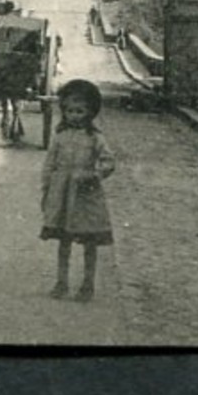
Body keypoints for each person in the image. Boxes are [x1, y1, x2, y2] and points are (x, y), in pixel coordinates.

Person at [40, 78, 116, 301]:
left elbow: (108, 162)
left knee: (89, 242)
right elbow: (49, 166)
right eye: (70, 110)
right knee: (64, 241)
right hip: (62, 194)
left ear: (90, 112)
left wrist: (94, 175)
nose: (74, 115)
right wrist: (46, 191)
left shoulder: (95, 138)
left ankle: (87, 285)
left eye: (80, 111)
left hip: (85, 195)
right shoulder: (59, 137)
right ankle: (61, 282)